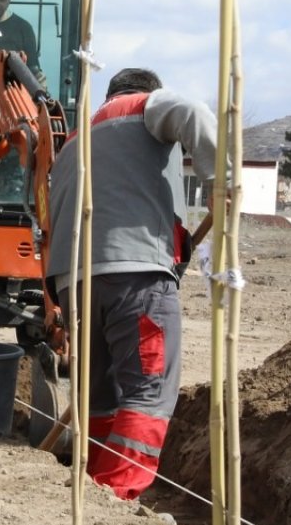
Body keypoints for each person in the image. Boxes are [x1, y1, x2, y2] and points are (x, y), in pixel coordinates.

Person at [45, 68, 220, 499]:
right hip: (135, 276)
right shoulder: (144, 106)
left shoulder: (76, 135)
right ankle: (117, 495)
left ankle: (92, 490)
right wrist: (222, 182)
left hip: (75, 285)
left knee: (102, 397)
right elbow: (194, 112)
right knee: (148, 392)